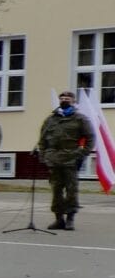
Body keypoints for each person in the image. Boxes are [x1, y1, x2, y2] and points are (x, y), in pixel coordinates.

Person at [37, 91, 94, 230]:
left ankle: (70, 219)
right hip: (53, 159)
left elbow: (90, 138)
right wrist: (43, 155)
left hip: (71, 159)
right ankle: (58, 219)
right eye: (62, 98)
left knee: (71, 190)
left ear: (73, 101)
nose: (64, 100)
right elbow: (42, 139)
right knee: (56, 190)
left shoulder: (80, 118)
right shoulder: (51, 119)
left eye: (67, 98)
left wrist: (82, 154)